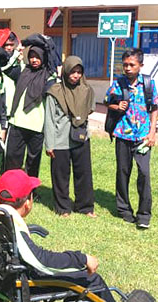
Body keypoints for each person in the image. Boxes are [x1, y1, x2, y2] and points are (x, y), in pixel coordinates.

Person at [0, 169, 158, 302]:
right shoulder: (13, 225)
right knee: (92, 280)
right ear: (27, 202)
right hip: (29, 280)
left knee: (80, 278)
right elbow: (43, 262)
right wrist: (81, 258)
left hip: (9, 274)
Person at [105, 48, 158, 229]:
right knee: (122, 172)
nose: (127, 68)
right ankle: (124, 209)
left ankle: (144, 214)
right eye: (125, 64)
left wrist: (152, 132)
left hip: (143, 137)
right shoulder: (118, 83)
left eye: (132, 65)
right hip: (122, 135)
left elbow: (154, 108)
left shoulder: (149, 84)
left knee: (144, 173)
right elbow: (107, 101)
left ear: (140, 65)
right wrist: (116, 105)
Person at [44, 56, 96, 218]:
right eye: (72, 72)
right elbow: (50, 119)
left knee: (84, 174)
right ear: (65, 71)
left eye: (79, 72)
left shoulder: (87, 90)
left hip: (80, 138)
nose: (75, 75)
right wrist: (49, 144)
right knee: (60, 176)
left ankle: (85, 207)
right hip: (60, 141)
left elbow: (90, 110)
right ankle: (63, 208)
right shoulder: (55, 92)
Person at [4, 43, 56, 181]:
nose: (34, 60)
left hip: (36, 126)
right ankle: (10, 187)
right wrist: (16, 53)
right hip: (17, 123)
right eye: (31, 56)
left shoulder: (49, 76)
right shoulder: (23, 71)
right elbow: (5, 68)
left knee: (33, 163)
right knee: (12, 158)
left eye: (38, 57)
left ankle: (30, 191)